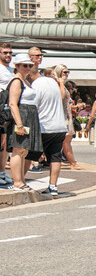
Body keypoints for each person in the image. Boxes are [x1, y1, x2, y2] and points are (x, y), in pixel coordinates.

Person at [6, 54, 43, 191]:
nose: (27, 68)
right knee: (18, 148)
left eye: (29, 65)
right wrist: (19, 124)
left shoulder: (25, 80)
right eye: (24, 65)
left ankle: (21, 180)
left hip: (29, 116)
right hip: (22, 116)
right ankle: (17, 182)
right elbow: (12, 104)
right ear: (17, 66)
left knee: (24, 150)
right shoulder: (16, 81)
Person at [32, 64, 68, 196]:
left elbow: (33, 106)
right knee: (55, 157)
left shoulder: (37, 84)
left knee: (27, 156)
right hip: (59, 127)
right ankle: (53, 186)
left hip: (44, 126)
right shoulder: (55, 84)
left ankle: (21, 182)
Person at [54, 71, 82, 170]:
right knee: (66, 141)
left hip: (67, 117)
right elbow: (62, 99)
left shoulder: (62, 87)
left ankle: (70, 161)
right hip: (64, 117)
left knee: (65, 141)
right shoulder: (61, 87)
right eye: (65, 72)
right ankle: (72, 163)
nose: (67, 74)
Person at [0, 42, 14, 186]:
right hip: (1, 106)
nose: (8, 55)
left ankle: (2, 171)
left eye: (10, 52)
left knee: (5, 143)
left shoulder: (10, 69)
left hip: (7, 109)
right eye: (5, 52)